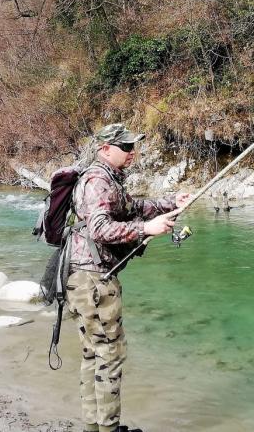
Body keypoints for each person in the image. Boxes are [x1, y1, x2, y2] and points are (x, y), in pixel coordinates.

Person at [67, 123, 191, 432]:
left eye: (133, 145)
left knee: (93, 353)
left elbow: (132, 206)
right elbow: (99, 229)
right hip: (93, 280)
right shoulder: (97, 181)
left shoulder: (108, 179)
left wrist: (171, 203)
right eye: (125, 147)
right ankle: (108, 428)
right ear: (105, 149)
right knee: (109, 354)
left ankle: (94, 427)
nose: (132, 151)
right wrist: (145, 229)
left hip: (84, 278)